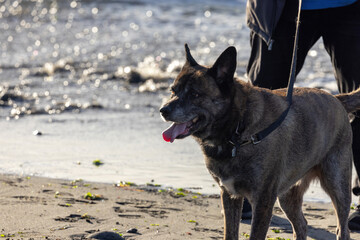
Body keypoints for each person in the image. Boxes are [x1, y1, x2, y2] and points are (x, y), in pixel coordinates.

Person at [245, 0, 360, 229]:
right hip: (281, 8)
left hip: (350, 5)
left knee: (358, 101)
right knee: (260, 101)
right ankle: (248, 188)